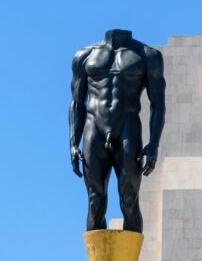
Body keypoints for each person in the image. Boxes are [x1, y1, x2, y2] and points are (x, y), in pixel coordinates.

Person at [69, 29, 165, 232]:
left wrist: (154, 144)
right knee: (95, 201)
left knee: (129, 199)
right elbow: (77, 103)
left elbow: (158, 103)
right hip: (94, 128)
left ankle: (132, 254)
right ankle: (98, 254)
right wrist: (73, 143)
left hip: (127, 128)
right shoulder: (84, 55)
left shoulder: (148, 56)